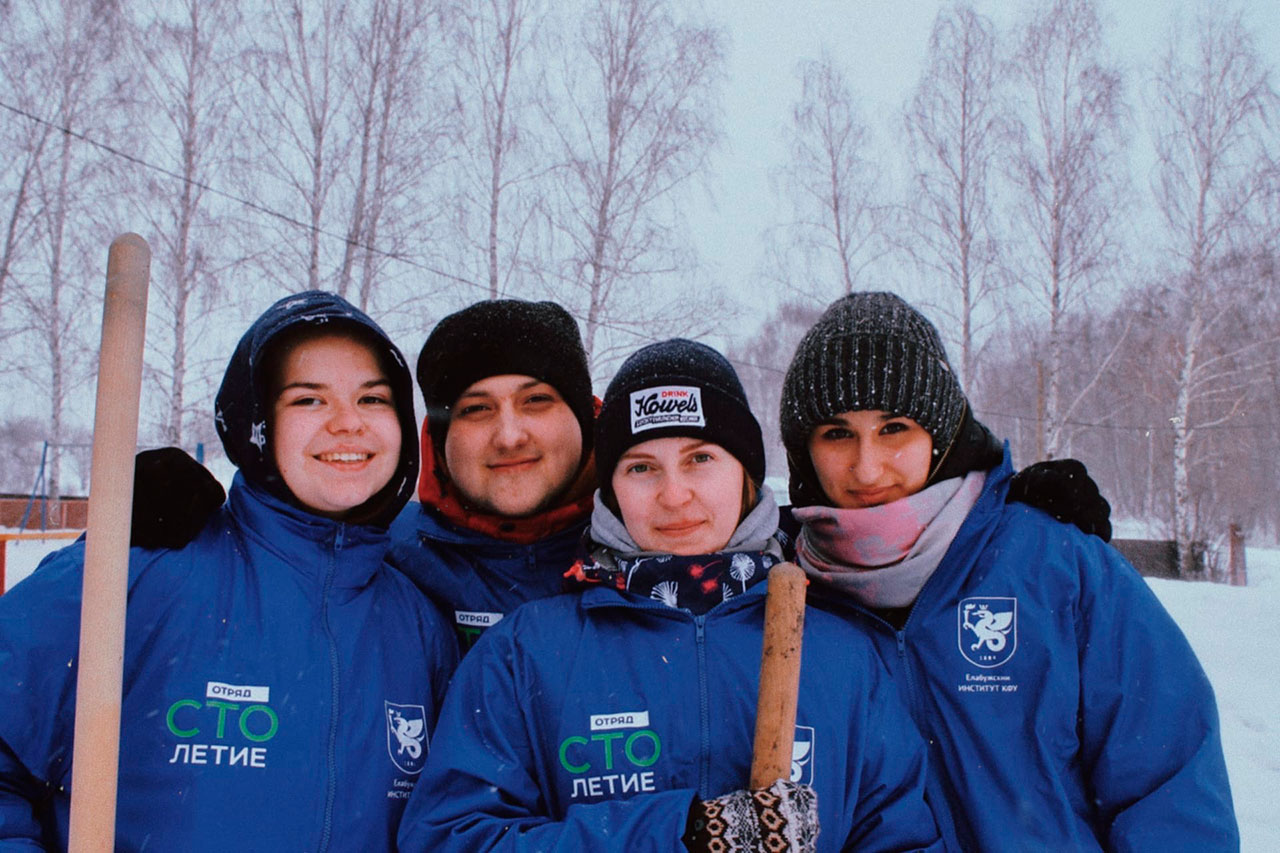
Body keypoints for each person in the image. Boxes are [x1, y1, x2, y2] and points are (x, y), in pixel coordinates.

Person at [398, 339, 944, 853]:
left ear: (746, 476)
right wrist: (678, 836)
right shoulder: (525, 652)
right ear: (610, 493)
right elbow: (452, 837)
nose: (674, 495)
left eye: (700, 458)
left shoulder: (842, 655)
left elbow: (903, 837)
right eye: (641, 468)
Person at [778, 291, 1238, 851]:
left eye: (894, 427)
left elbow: (1170, 781)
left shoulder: (1058, 565)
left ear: (941, 434)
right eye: (837, 434)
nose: (867, 466)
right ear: (805, 452)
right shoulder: (784, 601)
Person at [0, 292, 457, 851]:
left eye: (373, 398)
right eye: (309, 400)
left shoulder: (418, 625)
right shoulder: (137, 570)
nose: (348, 423)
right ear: (255, 422)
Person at [387, 299, 599, 652]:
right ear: (439, 441)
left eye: (535, 400)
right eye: (477, 408)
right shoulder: (383, 562)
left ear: (585, 420)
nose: (510, 437)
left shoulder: (659, 554)